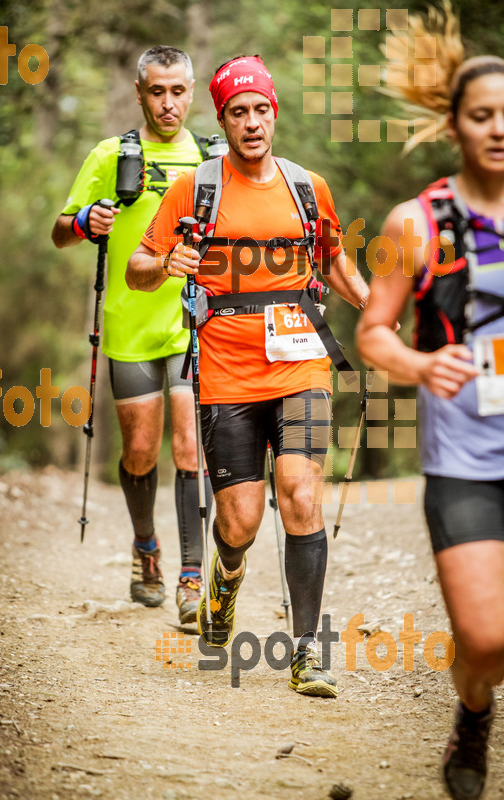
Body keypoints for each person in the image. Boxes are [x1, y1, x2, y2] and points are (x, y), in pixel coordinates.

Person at [127, 55, 369, 696]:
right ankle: (223, 580)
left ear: (274, 112)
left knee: (299, 493)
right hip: (227, 373)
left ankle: (309, 649)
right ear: (224, 119)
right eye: (239, 112)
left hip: (302, 364)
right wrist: (166, 263)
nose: (253, 122)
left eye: (262, 108)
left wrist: (378, 310)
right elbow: (136, 265)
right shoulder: (195, 188)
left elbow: (336, 264)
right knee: (239, 522)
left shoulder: (307, 187)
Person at [356, 6, 504, 798]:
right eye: (482, 116)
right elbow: (372, 332)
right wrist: (419, 363)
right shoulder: (415, 223)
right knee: (484, 640)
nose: (499, 130)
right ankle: (473, 710)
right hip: (466, 461)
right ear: (453, 125)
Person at [51, 45, 213, 625]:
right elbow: (60, 232)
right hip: (129, 328)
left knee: (192, 447)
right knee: (140, 453)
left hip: (198, 327)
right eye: (156, 92)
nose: (167, 103)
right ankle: (147, 547)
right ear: (140, 93)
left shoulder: (211, 157)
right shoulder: (109, 155)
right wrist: (84, 220)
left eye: (177, 91)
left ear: (191, 93)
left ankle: (193, 577)